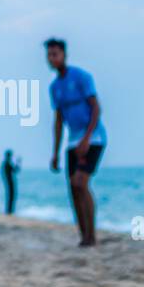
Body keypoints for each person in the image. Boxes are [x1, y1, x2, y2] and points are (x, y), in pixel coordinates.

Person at [45, 38, 107, 246]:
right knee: (73, 190)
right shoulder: (55, 87)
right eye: (49, 55)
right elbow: (58, 121)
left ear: (64, 55)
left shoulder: (81, 77)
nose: (52, 58)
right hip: (72, 143)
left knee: (80, 182)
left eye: (55, 54)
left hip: (93, 138)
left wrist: (87, 138)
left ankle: (92, 236)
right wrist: (55, 153)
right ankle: (84, 237)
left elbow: (96, 108)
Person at [1, 149, 20, 215]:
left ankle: (9, 211)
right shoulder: (7, 164)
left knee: (10, 197)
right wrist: (18, 163)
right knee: (11, 196)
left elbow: (15, 170)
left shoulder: (5, 163)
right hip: (9, 182)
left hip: (8, 182)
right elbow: (16, 170)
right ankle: (9, 211)